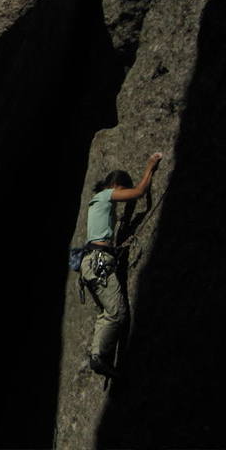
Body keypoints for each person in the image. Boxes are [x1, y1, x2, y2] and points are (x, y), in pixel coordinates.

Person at [82, 152, 163, 378]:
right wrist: (150, 166)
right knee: (118, 313)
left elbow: (124, 211)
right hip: (98, 260)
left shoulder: (96, 203)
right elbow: (138, 193)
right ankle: (99, 356)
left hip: (91, 262)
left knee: (106, 314)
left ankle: (102, 357)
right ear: (116, 186)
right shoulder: (106, 195)